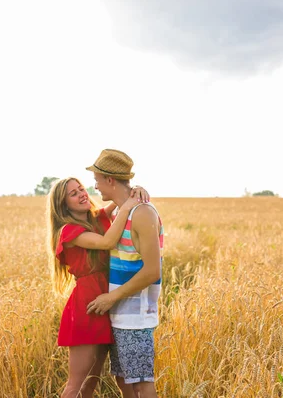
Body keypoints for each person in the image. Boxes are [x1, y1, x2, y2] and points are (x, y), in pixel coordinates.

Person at [46, 176, 149, 398]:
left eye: (81, 188)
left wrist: (136, 190)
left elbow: (121, 197)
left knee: (91, 384)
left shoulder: (97, 217)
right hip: (89, 305)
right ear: (63, 205)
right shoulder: (68, 231)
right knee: (76, 385)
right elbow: (106, 242)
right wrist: (127, 206)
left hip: (109, 300)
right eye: (73, 194)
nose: (82, 194)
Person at [85, 149, 164, 398]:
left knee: (141, 382)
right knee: (124, 382)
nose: (95, 185)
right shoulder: (122, 212)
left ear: (109, 180)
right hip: (121, 316)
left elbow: (152, 271)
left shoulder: (142, 213)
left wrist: (111, 297)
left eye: (97, 179)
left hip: (136, 317)